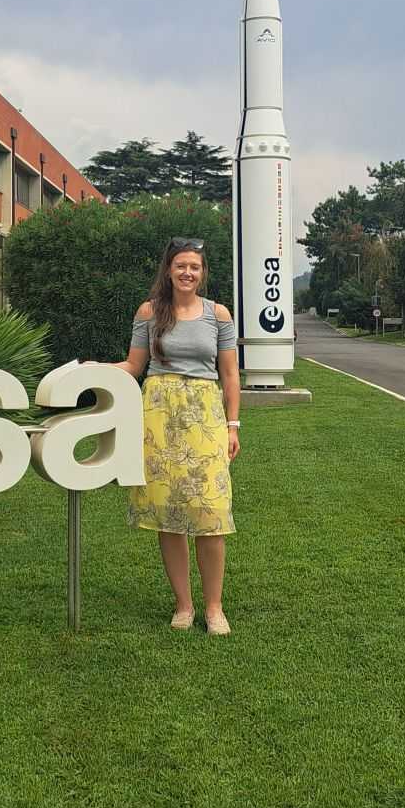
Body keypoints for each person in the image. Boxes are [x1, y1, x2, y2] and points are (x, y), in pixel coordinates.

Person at [115, 237, 241, 635]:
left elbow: (230, 374)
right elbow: (134, 366)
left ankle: (214, 607)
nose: (188, 273)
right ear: (168, 269)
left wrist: (232, 425)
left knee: (211, 513)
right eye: (181, 266)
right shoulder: (150, 312)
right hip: (158, 415)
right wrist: (91, 369)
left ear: (203, 273)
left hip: (204, 415)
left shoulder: (217, 315)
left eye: (195, 267)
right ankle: (184, 605)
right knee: (169, 514)